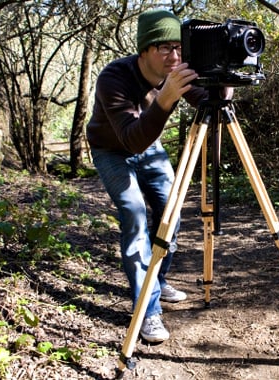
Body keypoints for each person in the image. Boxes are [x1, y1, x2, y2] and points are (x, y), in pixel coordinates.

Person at [86, 9, 207, 343]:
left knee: (172, 209)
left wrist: (222, 80)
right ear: (144, 50)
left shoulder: (176, 70)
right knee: (135, 216)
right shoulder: (114, 77)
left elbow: (208, 100)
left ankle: (157, 279)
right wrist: (166, 98)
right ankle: (148, 311)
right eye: (165, 47)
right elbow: (131, 138)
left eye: (179, 47)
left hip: (148, 148)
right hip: (112, 150)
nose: (175, 55)